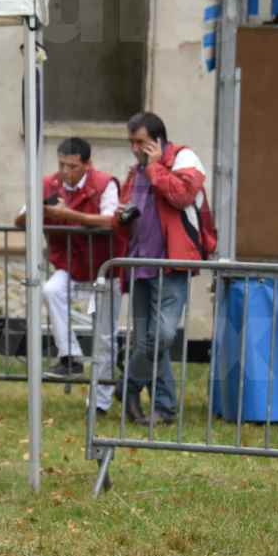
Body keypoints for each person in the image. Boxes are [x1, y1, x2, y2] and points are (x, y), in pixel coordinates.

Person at [114, 111, 214, 426]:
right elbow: (124, 210)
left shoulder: (185, 158)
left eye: (140, 142)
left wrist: (156, 166)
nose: (134, 148)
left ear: (157, 140)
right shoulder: (136, 170)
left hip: (172, 263)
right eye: (131, 142)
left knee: (163, 335)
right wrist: (122, 216)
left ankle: (127, 385)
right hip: (140, 262)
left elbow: (183, 196)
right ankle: (165, 408)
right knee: (149, 341)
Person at [13, 136, 122, 410]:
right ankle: (70, 357)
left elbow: (111, 221)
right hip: (70, 266)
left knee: (105, 338)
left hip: (105, 268)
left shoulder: (105, 183)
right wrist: (39, 209)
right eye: (61, 164)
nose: (65, 172)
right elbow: (18, 220)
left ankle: (100, 402)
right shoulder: (49, 184)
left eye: (72, 166)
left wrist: (67, 215)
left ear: (87, 165)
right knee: (51, 289)